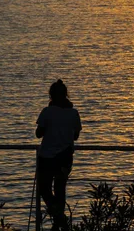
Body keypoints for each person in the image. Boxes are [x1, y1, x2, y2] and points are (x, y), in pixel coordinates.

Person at [35, 79, 82, 231]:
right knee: (60, 189)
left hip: (47, 157)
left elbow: (38, 134)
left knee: (44, 189)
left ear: (51, 96)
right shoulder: (74, 113)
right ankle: (59, 223)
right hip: (65, 158)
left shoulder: (47, 112)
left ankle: (59, 218)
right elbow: (75, 136)